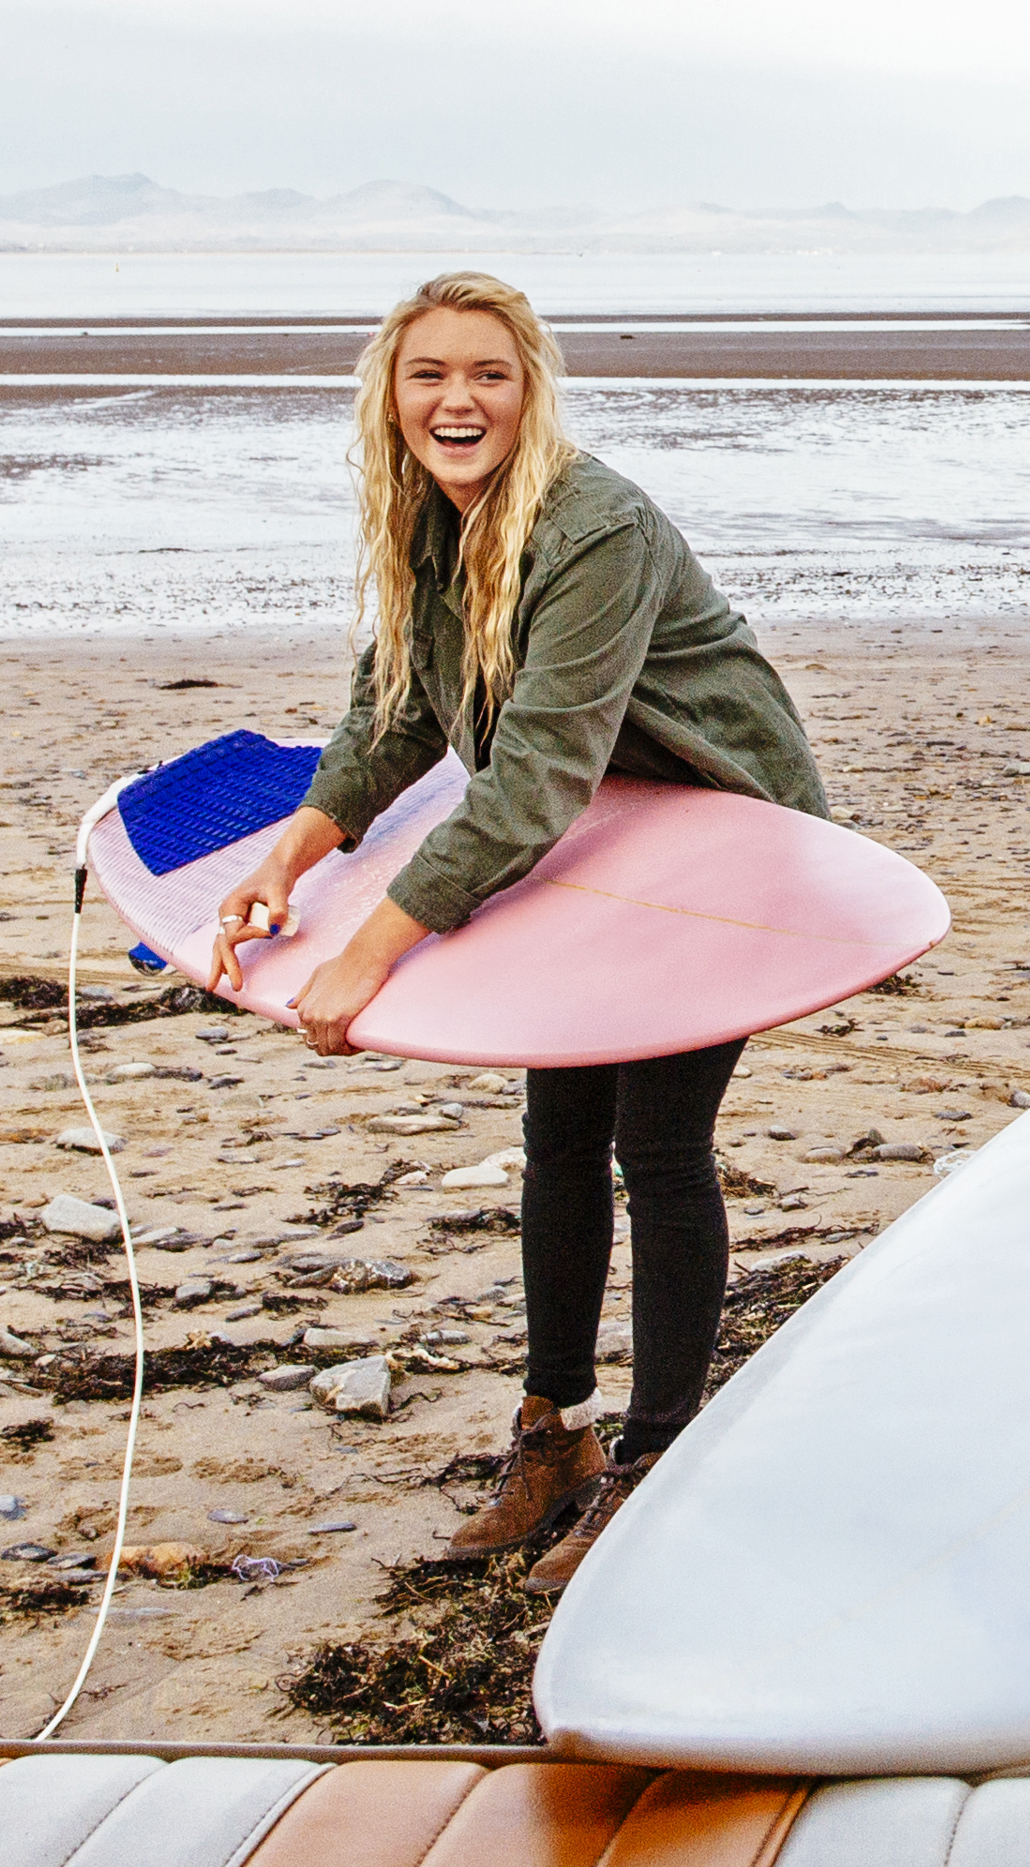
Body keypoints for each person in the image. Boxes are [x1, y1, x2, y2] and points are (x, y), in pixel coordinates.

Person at [202, 270, 834, 1589]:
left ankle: (661, 1462)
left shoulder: (594, 525)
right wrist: (287, 864)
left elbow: (532, 769)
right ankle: (557, 1435)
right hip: (598, 843)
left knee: (659, 1146)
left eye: (489, 371)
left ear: (530, 389)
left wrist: (371, 951)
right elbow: (392, 726)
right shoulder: (426, 527)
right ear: (391, 393)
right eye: (430, 371)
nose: (458, 397)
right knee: (559, 1137)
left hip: (721, 839)